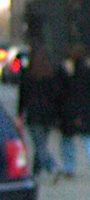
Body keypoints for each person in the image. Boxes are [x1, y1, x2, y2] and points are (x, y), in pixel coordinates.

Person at [58, 43, 90, 182]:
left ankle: (69, 168)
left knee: (67, 140)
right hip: (88, 109)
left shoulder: (68, 71)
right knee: (88, 139)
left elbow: (62, 90)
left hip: (70, 110)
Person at [16, 46, 61, 177]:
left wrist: (19, 114)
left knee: (39, 145)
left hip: (33, 113)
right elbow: (56, 94)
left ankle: (52, 167)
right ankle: (36, 172)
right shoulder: (51, 75)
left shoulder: (27, 75)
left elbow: (23, 97)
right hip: (48, 114)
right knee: (41, 144)